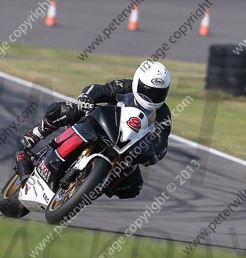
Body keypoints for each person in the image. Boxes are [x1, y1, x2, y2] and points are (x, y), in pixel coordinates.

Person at [15, 61, 173, 199]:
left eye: (158, 93)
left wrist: (153, 155)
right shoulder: (125, 86)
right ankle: (33, 136)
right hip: (102, 125)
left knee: (133, 186)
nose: (152, 97)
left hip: (126, 147)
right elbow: (100, 89)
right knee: (66, 110)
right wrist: (87, 97)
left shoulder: (163, 114)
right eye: (148, 91)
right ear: (137, 82)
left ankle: (87, 190)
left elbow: (162, 144)